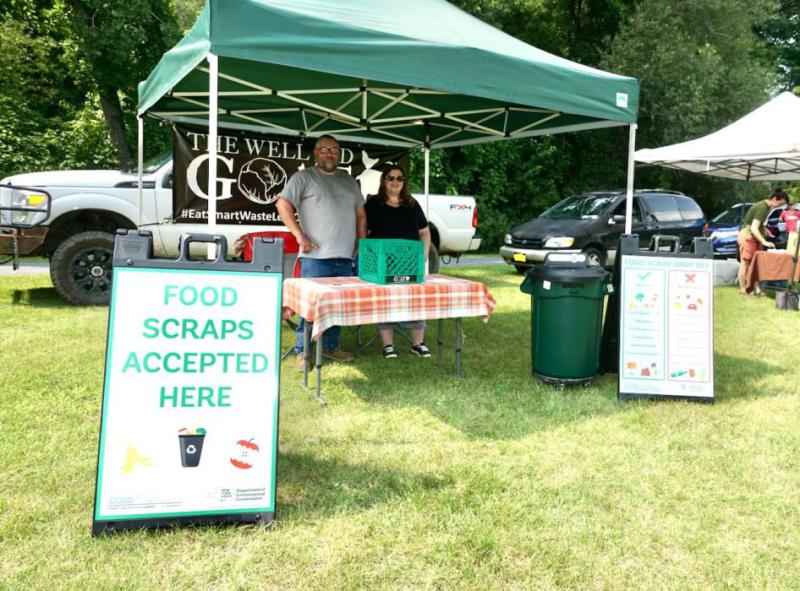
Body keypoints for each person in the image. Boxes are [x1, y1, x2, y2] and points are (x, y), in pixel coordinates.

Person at [275, 135, 367, 370]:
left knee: (336, 306)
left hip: (346, 256)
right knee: (309, 306)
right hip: (315, 258)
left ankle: (331, 347)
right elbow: (282, 204)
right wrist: (299, 236)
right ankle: (303, 351)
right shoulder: (304, 177)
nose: (329, 153)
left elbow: (360, 214)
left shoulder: (348, 181)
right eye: (324, 149)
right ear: (315, 154)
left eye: (334, 150)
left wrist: (361, 242)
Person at [364, 165, 432, 359]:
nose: (395, 181)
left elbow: (424, 231)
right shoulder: (374, 204)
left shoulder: (412, 204)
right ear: (384, 181)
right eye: (390, 177)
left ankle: (418, 343)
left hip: (410, 262)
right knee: (385, 302)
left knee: (415, 301)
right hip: (383, 263)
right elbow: (364, 231)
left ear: (404, 182)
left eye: (399, 178)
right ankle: (388, 346)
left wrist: (424, 253)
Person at [737, 188, 789, 295]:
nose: (779, 206)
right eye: (780, 203)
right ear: (775, 198)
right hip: (748, 237)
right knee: (745, 262)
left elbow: (757, 224)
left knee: (756, 263)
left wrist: (765, 230)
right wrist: (764, 242)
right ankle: (743, 290)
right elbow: (753, 228)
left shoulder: (765, 207)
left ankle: (757, 289)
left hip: (754, 238)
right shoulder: (762, 208)